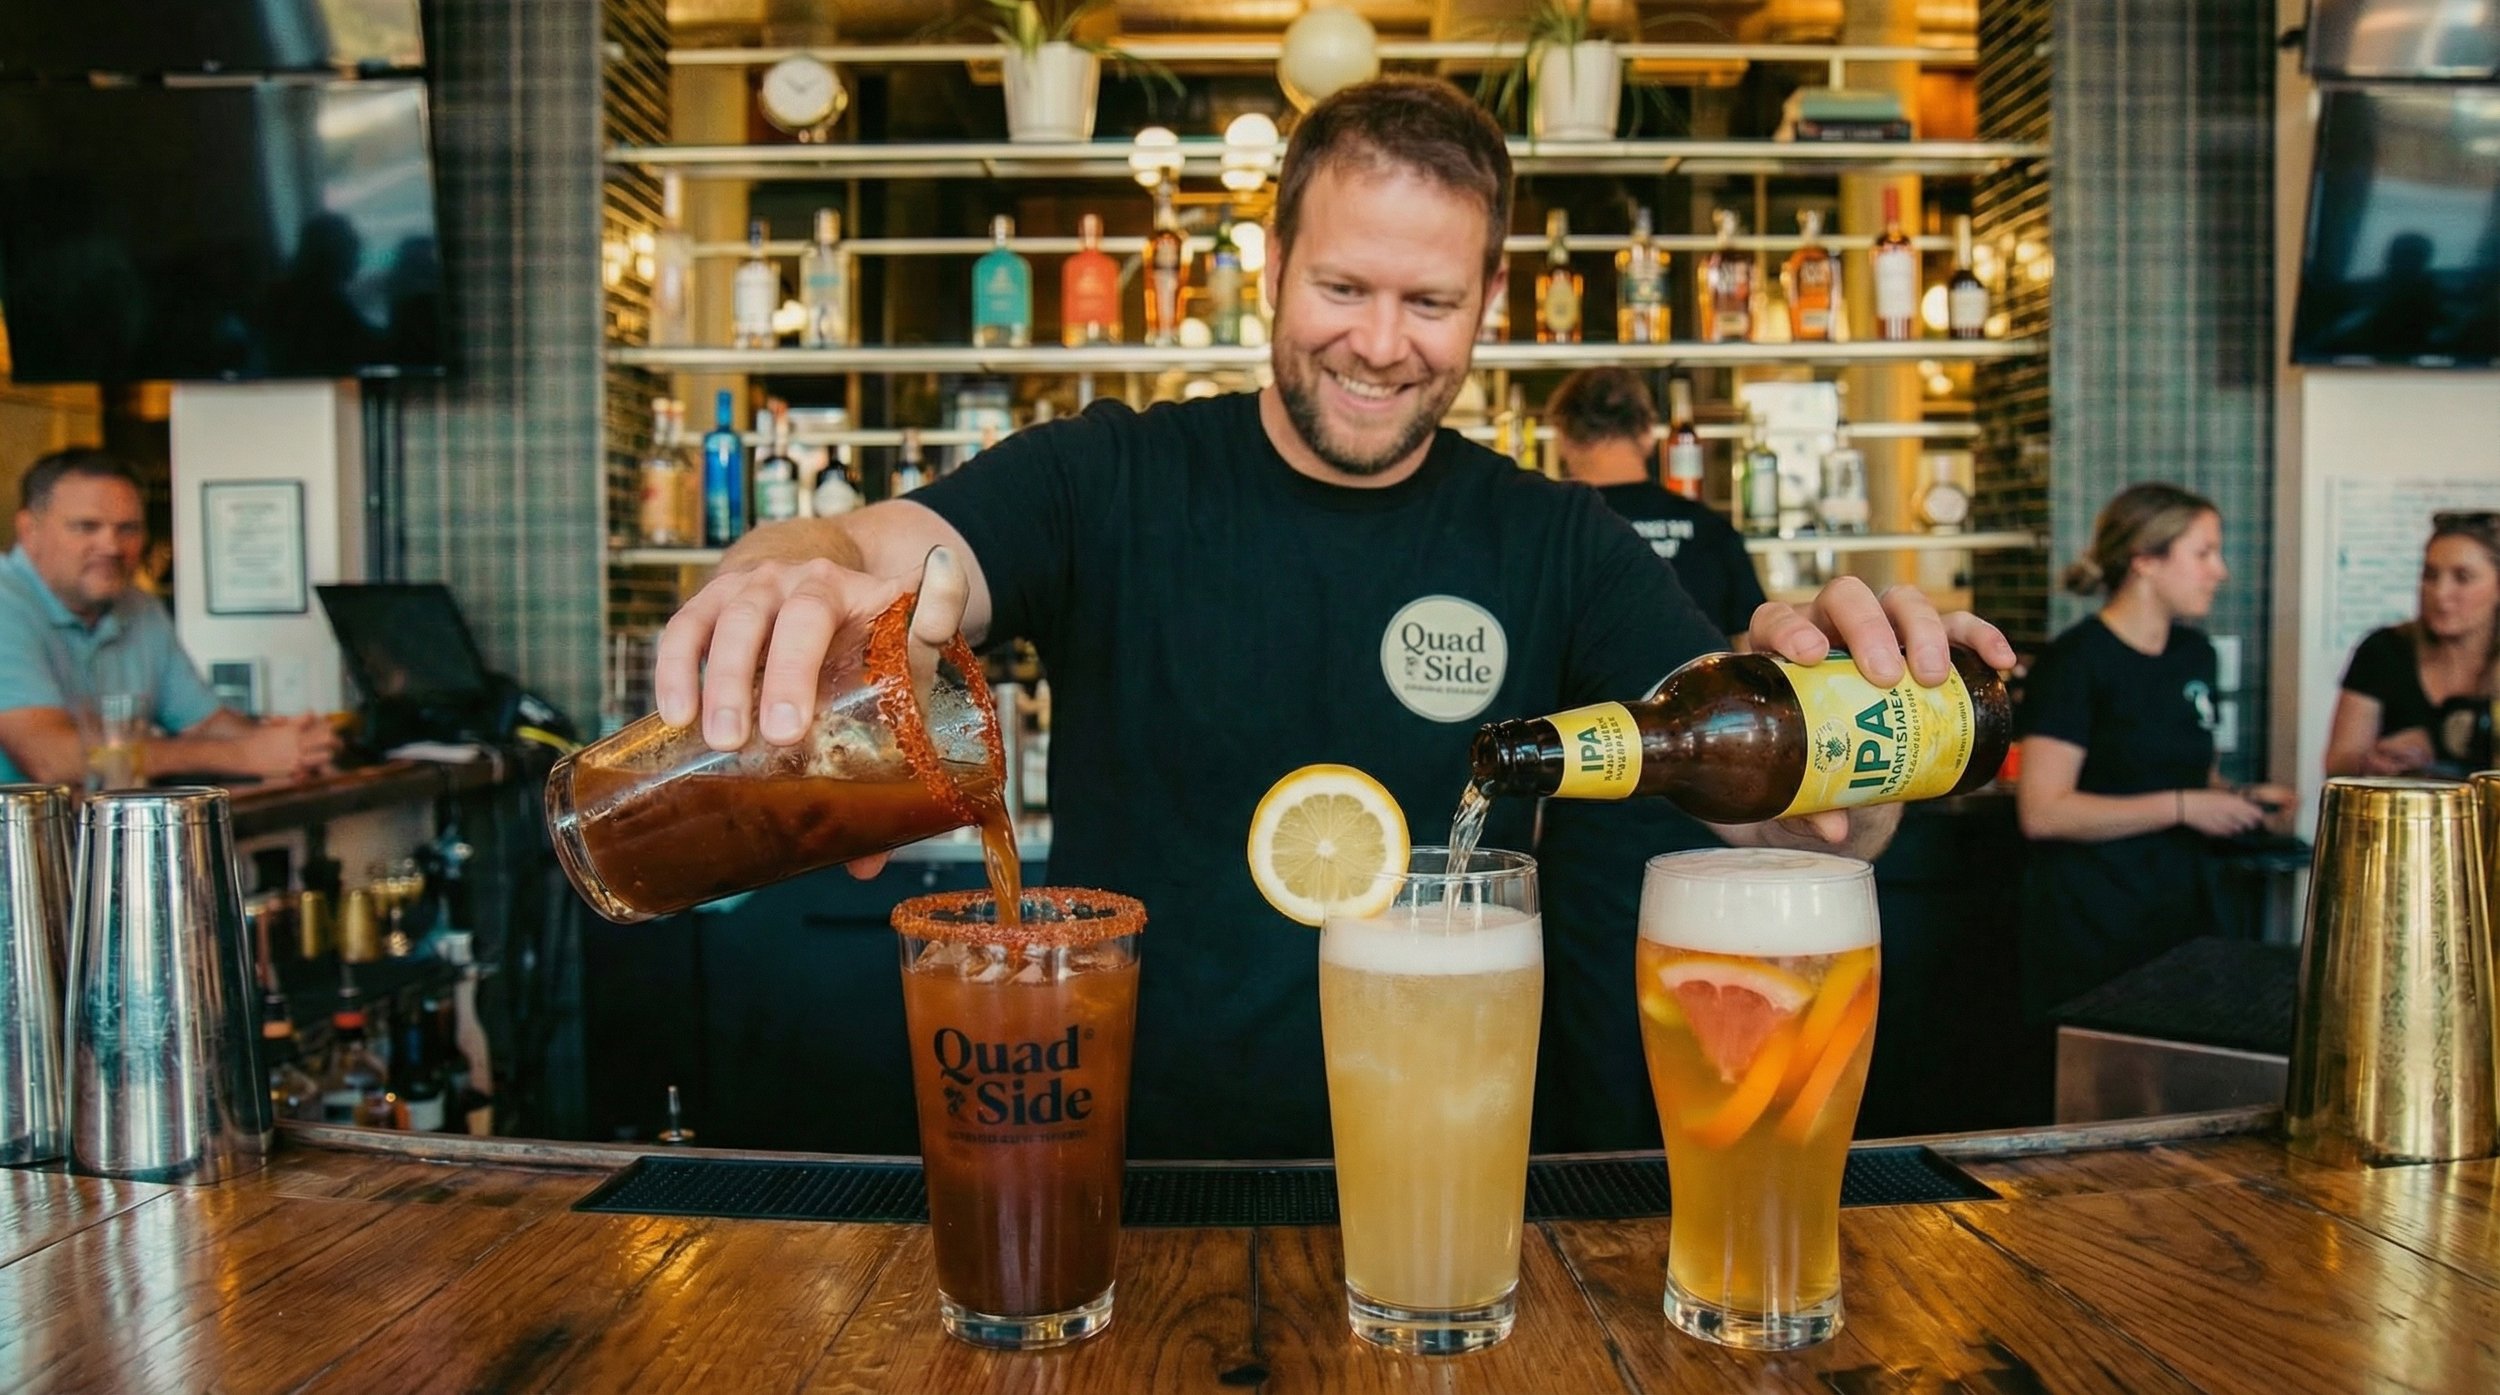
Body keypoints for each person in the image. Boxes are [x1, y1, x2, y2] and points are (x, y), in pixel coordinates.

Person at [652, 77, 2013, 1157]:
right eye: (1343, 289)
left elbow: (1778, 809)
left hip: (1457, 1188)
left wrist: (1866, 734)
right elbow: (881, 544)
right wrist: (795, 562)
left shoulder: (1556, 541)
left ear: (1488, 304)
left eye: (1429, 302)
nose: (1380, 343)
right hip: (1139, 1176)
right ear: (1268, 263)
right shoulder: (1105, 476)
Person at [2014, 483, 2291, 1024]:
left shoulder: (2195, 654)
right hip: (2095, 914)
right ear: (2145, 559)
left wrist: (2237, 797)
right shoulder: (2076, 662)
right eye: (2204, 552)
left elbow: (2186, 769)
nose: (2221, 571)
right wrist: (2187, 806)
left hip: (2179, 907)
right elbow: (2043, 811)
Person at [0, 448, 339, 786]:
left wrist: (294, 746)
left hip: (107, 828)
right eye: (86, 527)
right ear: (29, 530)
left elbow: (204, 722)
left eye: (128, 529)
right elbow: (52, 760)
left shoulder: (137, 606)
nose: (112, 546)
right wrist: (243, 755)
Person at [1544, 367, 1765, 644]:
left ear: (1563, 439)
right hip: (1701, 686)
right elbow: (1749, 645)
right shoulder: (1712, 529)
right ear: (1648, 433)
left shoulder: (1549, 533)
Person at [2324, 510, 2500, 777]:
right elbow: (2339, 763)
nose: (2440, 593)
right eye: (2430, 575)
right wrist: (2376, 760)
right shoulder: (2384, 650)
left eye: (2462, 578)